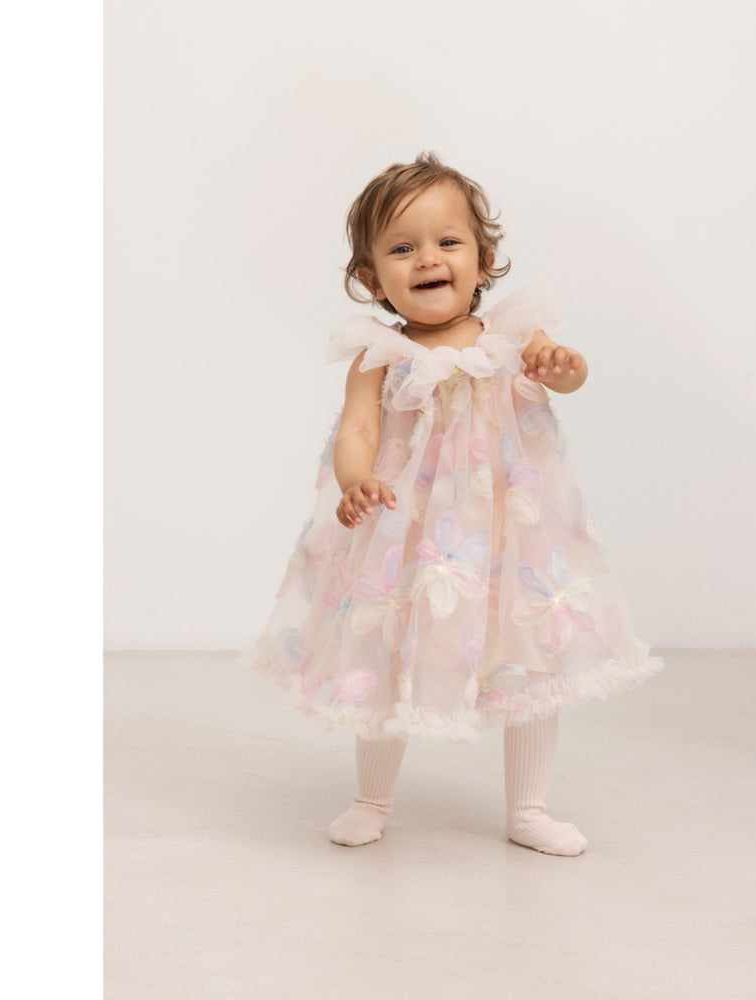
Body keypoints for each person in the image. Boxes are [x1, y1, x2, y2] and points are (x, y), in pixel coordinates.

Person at [243, 152, 663, 856]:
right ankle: (370, 800)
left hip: (512, 535)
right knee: (385, 651)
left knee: (532, 657)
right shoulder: (377, 354)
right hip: (410, 536)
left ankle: (528, 809)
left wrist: (564, 367)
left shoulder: (513, 335)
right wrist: (356, 480)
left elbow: (567, 374)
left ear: (483, 258)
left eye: (447, 241)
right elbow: (357, 430)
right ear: (371, 278)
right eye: (402, 249)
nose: (428, 259)